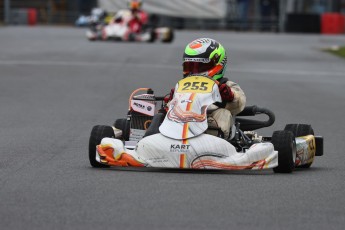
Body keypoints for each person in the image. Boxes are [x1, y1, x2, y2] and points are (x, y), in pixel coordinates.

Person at [168, 38, 246, 139]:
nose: (194, 72)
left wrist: (230, 96)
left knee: (224, 113)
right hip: (183, 118)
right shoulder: (183, 85)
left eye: (200, 67)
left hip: (210, 122)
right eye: (190, 67)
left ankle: (215, 139)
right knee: (165, 112)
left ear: (218, 65)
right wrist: (171, 101)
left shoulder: (226, 85)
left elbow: (240, 103)